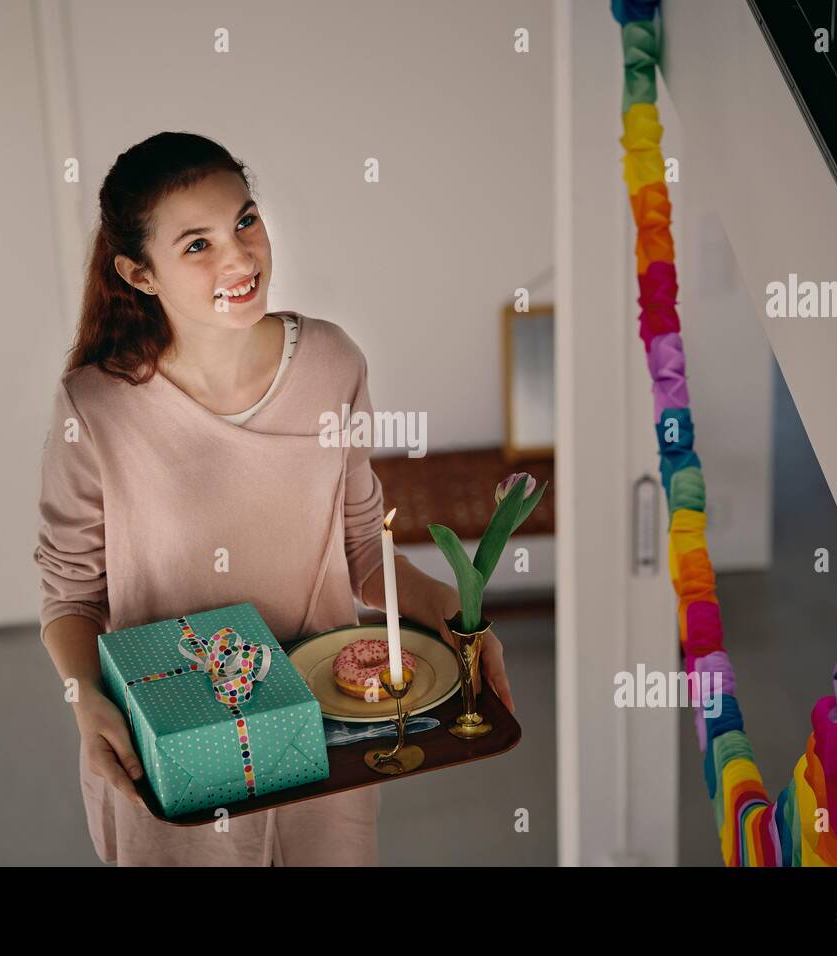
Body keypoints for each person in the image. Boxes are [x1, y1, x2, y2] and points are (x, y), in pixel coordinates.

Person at [33, 132, 516, 866]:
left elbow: (360, 548)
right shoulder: (95, 406)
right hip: (175, 748)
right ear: (140, 273)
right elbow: (71, 597)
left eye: (245, 222)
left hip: (327, 740)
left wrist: (456, 612)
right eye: (196, 245)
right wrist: (85, 700)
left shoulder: (331, 362)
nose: (239, 258)